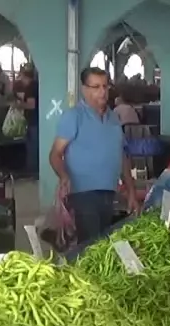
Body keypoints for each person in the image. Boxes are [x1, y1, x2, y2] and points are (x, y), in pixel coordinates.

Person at [49, 67, 139, 244]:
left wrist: (131, 192)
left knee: (104, 244)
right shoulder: (74, 116)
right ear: (84, 89)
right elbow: (55, 154)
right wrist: (64, 175)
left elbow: (122, 156)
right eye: (96, 87)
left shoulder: (114, 118)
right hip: (83, 193)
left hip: (109, 192)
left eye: (105, 86)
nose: (102, 92)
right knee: (91, 245)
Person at [13, 64, 40, 173]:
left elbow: (31, 105)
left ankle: (32, 170)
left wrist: (18, 105)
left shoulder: (30, 87)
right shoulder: (36, 85)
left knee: (32, 146)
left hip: (33, 121)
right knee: (32, 146)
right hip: (35, 120)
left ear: (24, 76)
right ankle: (33, 169)